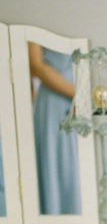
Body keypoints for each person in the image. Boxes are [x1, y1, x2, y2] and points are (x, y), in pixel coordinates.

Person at [28, 42, 81, 215]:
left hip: (81, 92)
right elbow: (35, 65)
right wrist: (79, 95)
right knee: (56, 162)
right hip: (55, 97)